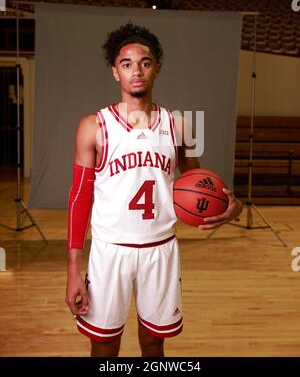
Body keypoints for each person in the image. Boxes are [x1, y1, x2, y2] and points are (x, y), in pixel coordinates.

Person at [65, 22, 243, 357]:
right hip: (110, 251)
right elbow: (79, 199)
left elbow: (202, 187)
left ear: (156, 69)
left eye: (145, 63)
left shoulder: (178, 125)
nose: (136, 71)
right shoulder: (93, 127)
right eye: (127, 64)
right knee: (104, 348)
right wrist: (73, 271)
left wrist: (233, 209)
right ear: (115, 72)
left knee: (153, 344)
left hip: (160, 250)